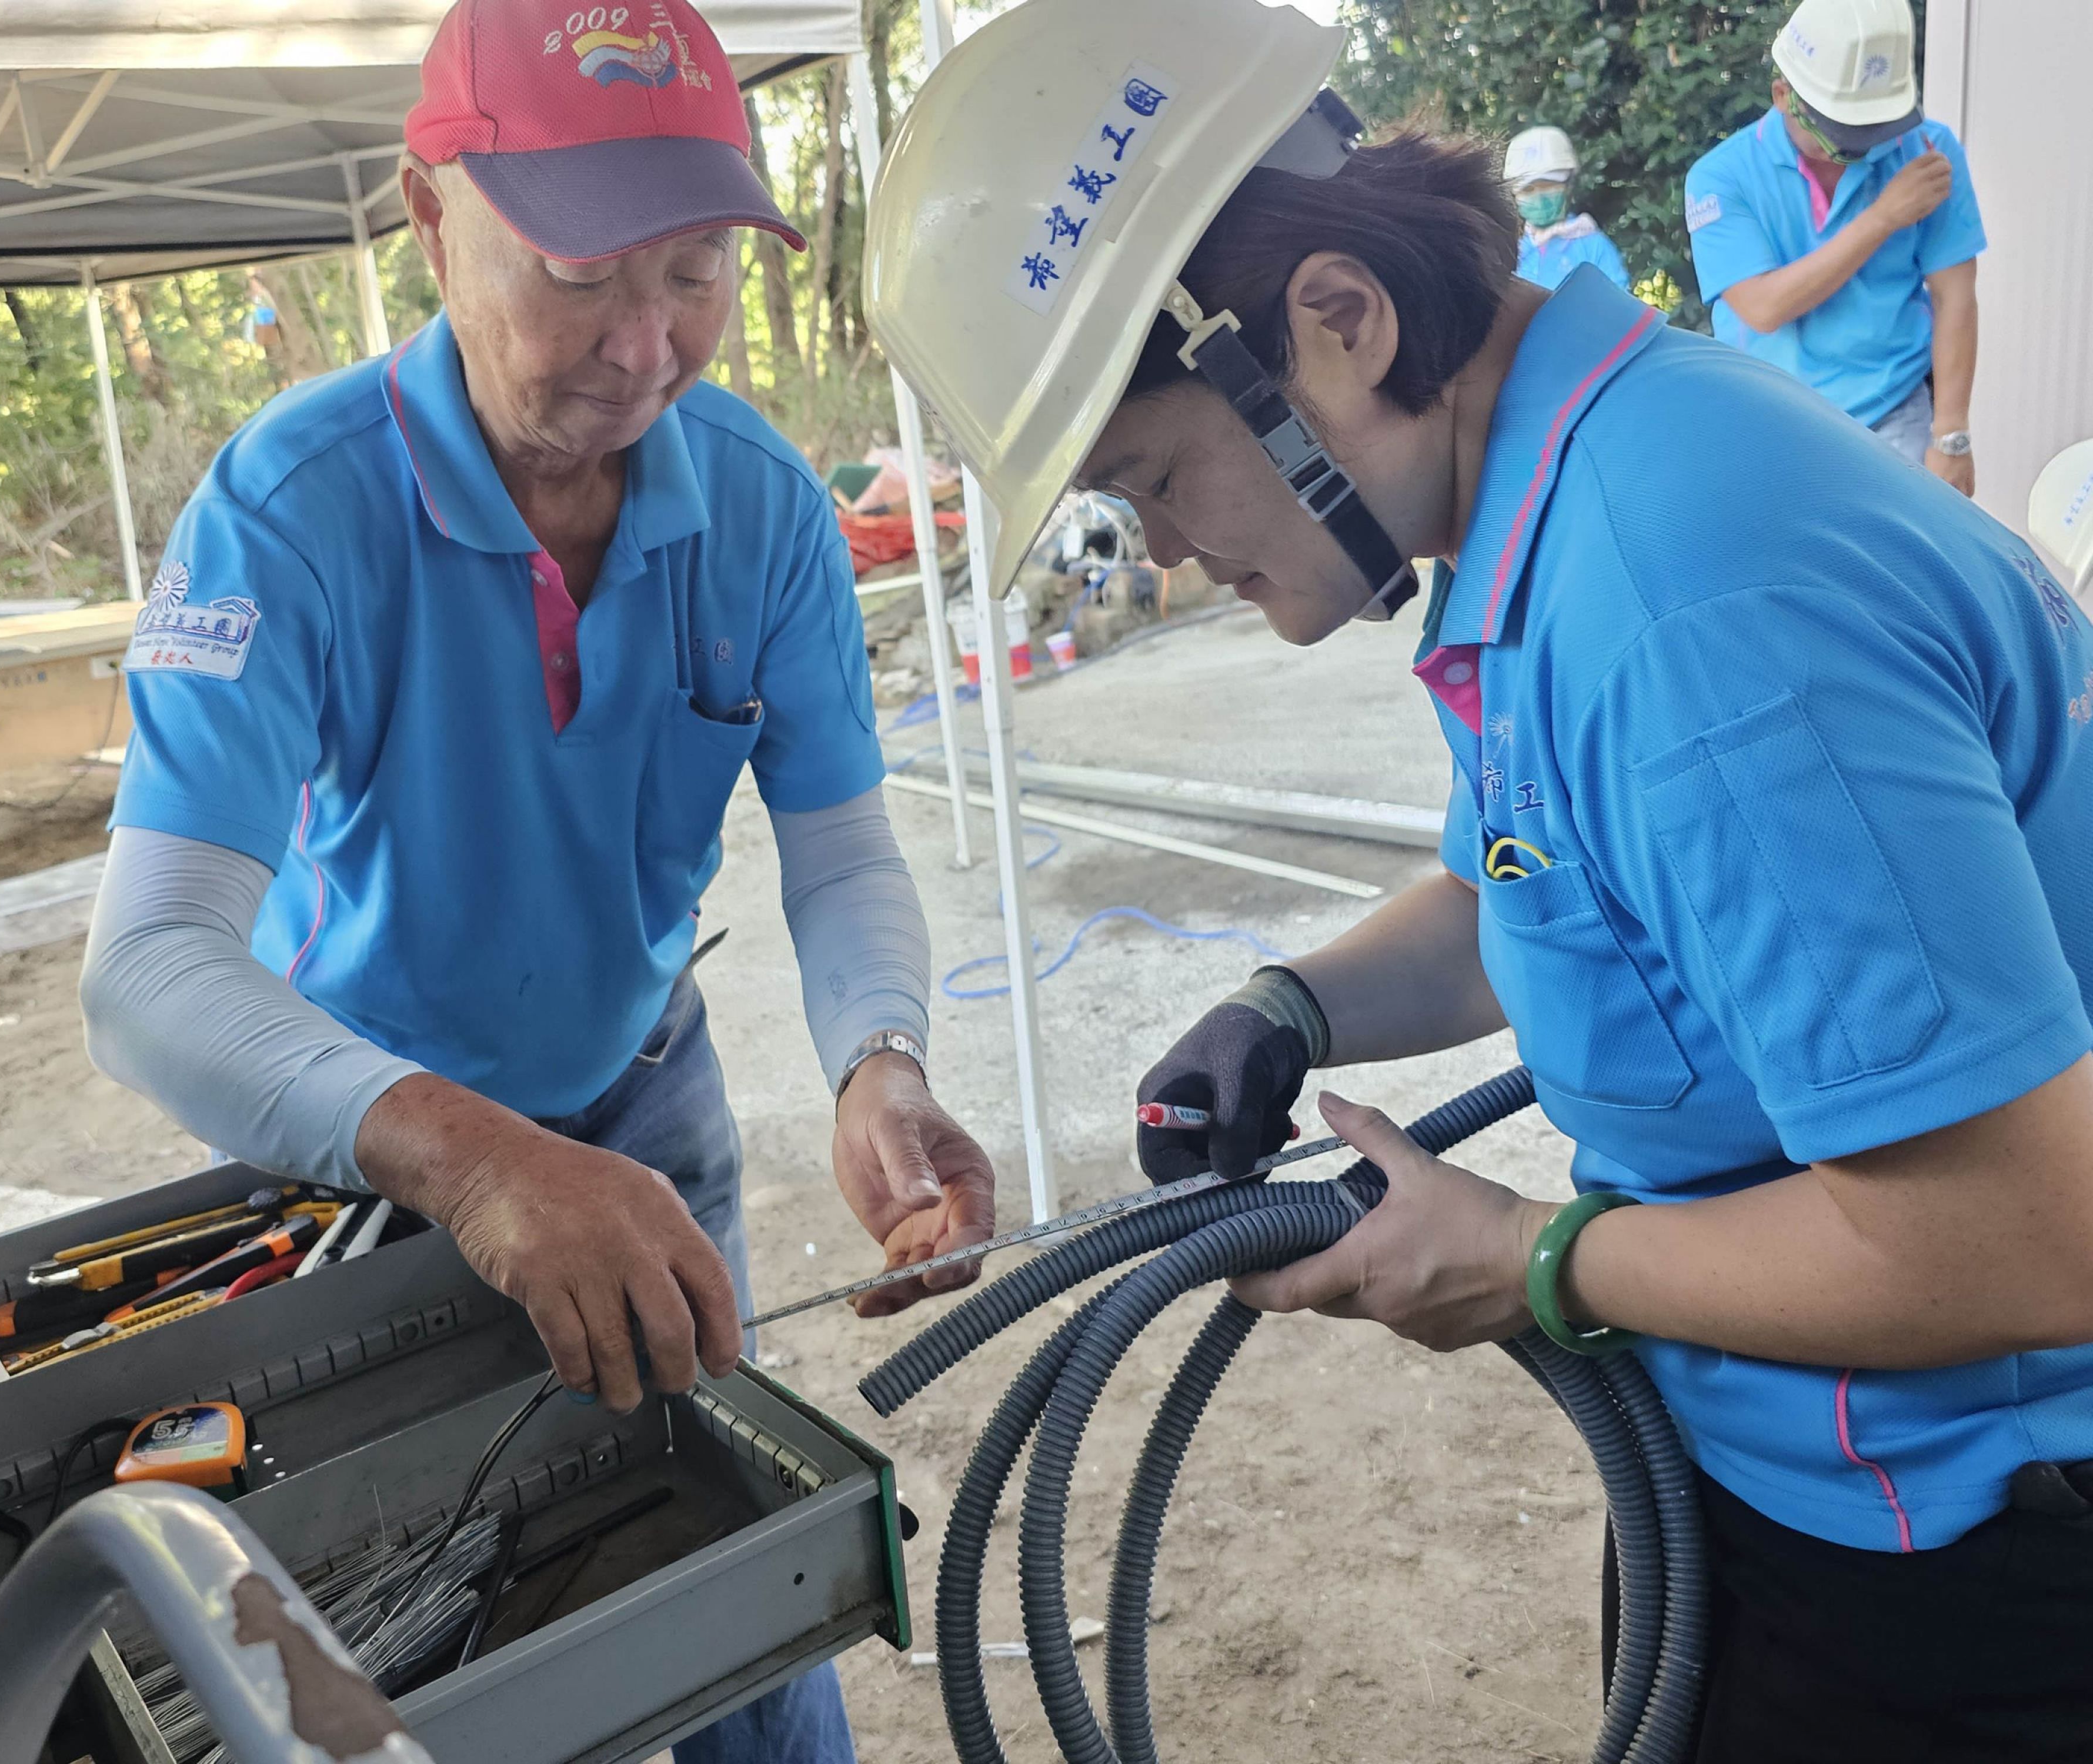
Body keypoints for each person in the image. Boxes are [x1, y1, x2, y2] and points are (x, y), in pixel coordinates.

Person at [866, 0, 2093, 1756]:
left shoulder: (1686, 604)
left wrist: (1536, 1258)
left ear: (1340, 321)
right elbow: (1525, 892)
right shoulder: (1575, 489)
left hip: (1962, 1559)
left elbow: (2021, 1235)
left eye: (1153, 475)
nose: (1169, 552)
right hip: (1781, 1475)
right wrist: (1292, 1008)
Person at [82, 0, 1000, 1754]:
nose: (643, 349)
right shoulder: (288, 514)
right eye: (579, 275)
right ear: (431, 219)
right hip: (354, 1146)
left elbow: (839, 847)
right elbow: (148, 968)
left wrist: (878, 1060)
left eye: (694, 273)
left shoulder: (764, 513)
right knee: (405, 1613)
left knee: (722, 1560)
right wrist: (483, 1161)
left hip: (642, 1108)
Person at [1684, 0, 1984, 494]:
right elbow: (1763, 308)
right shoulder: (1720, 178)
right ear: (1784, 96)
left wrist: (1952, 436)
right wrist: (1883, 218)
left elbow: (1956, 297)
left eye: (1877, 128)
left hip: (1895, 416)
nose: (1863, 148)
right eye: (1843, 133)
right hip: (1768, 423)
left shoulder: (1927, 152)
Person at [1504, 125, 1629, 292]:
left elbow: (1619, 302)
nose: (1539, 197)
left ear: (1568, 186)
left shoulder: (1593, 246)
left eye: (1549, 185)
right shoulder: (1510, 248)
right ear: (1514, 195)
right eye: (1528, 189)